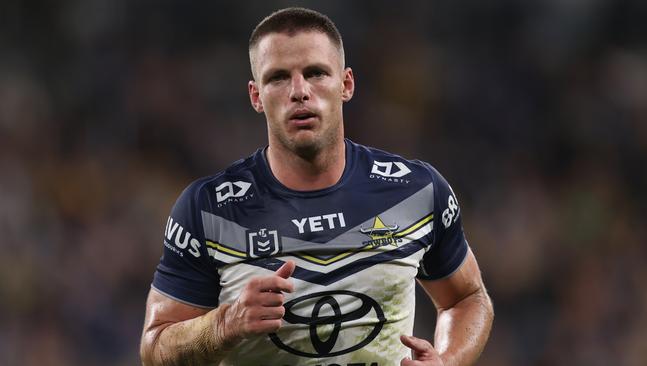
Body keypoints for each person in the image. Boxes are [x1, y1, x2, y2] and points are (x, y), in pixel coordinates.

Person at [140, 7, 493, 366]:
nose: (299, 91)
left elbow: (466, 298)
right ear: (256, 96)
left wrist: (447, 360)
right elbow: (154, 349)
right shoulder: (208, 210)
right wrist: (225, 324)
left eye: (316, 73)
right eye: (278, 77)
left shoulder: (416, 191)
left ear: (346, 84)